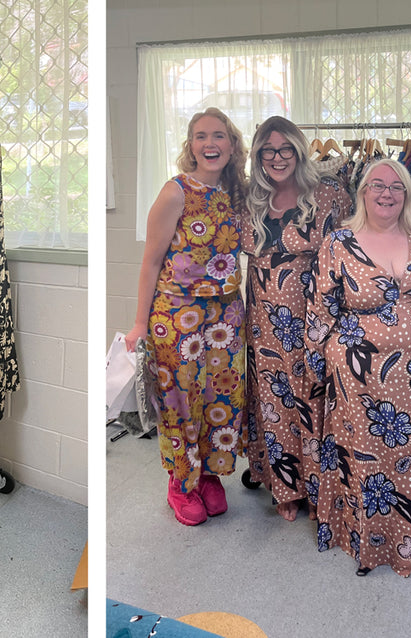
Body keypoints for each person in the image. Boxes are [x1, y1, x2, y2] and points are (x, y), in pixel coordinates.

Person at [306, 158, 411, 576]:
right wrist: (315, 366)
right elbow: (321, 307)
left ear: (407, 196)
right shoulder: (338, 241)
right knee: (367, 461)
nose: (386, 193)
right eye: (377, 185)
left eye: (396, 186)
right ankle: (370, 543)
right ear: (362, 192)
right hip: (356, 375)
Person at [125, 107, 248, 526]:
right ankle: (181, 481)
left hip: (227, 314)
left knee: (221, 397)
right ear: (190, 145)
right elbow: (149, 262)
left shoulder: (238, 193)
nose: (209, 144)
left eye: (218, 136)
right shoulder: (175, 191)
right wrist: (140, 324)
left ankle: (210, 474)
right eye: (200, 136)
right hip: (177, 315)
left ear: (232, 146)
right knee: (181, 400)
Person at [241, 116, 353, 522]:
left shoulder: (330, 196)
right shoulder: (249, 200)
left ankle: (319, 485)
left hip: (314, 317)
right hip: (261, 321)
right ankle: (284, 485)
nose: (277, 158)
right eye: (268, 150)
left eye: (286, 149)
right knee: (273, 401)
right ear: (258, 156)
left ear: (299, 151)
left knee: (314, 397)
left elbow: (349, 259)